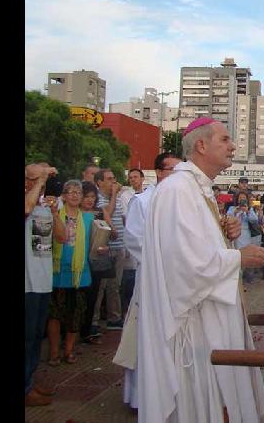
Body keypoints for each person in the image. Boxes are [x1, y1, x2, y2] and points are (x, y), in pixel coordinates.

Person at [137, 117, 264, 423]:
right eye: (225, 139)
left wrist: (226, 234)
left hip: (214, 316)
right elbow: (183, 265)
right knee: (206, 403)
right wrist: (239, 258)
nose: (233, 146)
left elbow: (198, 246)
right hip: (195, 326)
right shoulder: (177, 190)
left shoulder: (199, 189)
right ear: (201, 144)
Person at [118, 152, 181, 409]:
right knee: (147, 339)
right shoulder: (143, 201)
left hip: (178, 282)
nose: (177, 176)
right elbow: (134, 239)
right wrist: (166, 258)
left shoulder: (182, 201)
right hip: (152, 280)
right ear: (158, 173)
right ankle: (140, 397)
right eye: (172, 171)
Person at [25, 163, 64, 406]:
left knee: (35, 336)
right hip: (26, 283)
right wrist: (39, 181)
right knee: (26, 337)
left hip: (42, 281)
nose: (39, 182)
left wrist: (55, 212)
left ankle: (29, 380)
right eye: (33, 178)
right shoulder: (28, 202)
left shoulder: (46, 204)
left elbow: (62, 236)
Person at [46, 180, 94, 367]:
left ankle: (68, 350)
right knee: (55, 315)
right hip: (57, 272)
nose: (75, 195)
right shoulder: (54, 215)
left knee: (75, 315)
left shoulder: (89, 219)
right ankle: (54, 352)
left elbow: (96, 242)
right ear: (64, 196)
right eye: (71, 192)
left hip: (80, 273)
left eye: (78, 192)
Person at [93, 169, 125, 331]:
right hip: (104, 248)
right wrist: (113, 195)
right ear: (99, 182)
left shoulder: (117, 198)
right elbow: (108, 213)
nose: (113, 181)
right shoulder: (97, 198)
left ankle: (114, 317)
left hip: (119, 246)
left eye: (114, 178)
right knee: (101, 287)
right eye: (109, 179)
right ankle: (94, 320)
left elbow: (121, 217)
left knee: (115, 285)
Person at [79, 181, 105, 346]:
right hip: (76, 262)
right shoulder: (72, 214)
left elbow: (109, 234)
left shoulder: (98, 215)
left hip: (94, 262)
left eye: (92, 197)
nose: (89, 200)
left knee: (91, 298)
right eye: (86, 196)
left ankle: (86, 331)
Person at [119, 168, 146, 316]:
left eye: (136, 177)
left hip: (146, 240)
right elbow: (126, 219)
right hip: (132, 239)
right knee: (130, 277)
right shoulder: (126, 196)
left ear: (142, 178)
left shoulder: (149, 194)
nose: (133, 180)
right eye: (130, 178)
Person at [227, 192, 263, 283]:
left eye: (243, 198)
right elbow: (228, 217)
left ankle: (249, 277)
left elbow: (254, 220)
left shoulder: (249, 208)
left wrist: (247, 211)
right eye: (240, 198)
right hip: (236, 234)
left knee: (248, 253)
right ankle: (238, 278)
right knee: (237, 255)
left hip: (246, 233)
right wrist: (237, 211)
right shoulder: (232, 208)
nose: (241, 199)